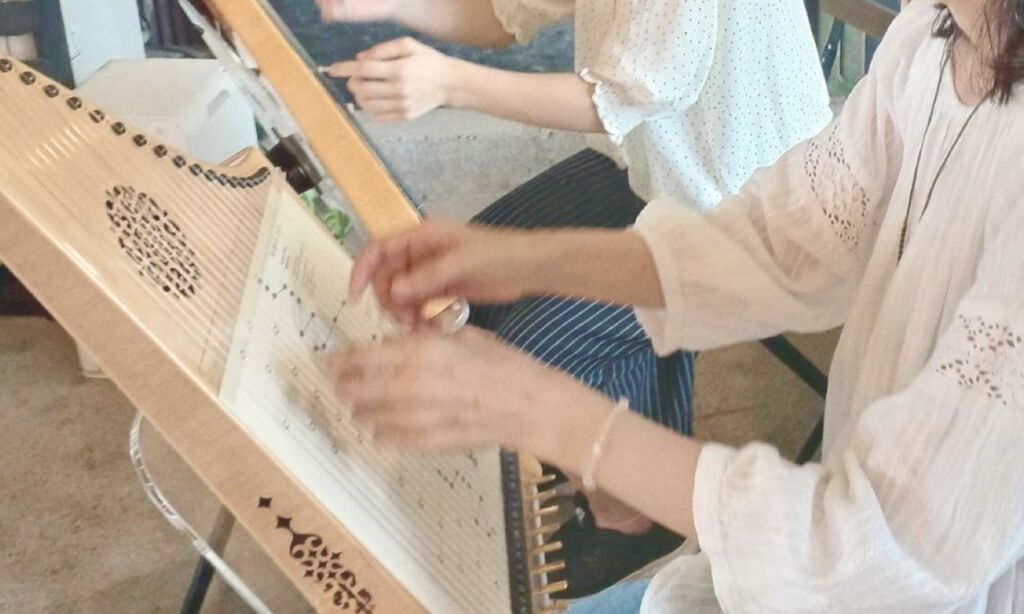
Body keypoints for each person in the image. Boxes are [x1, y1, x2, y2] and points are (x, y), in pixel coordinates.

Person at [329, 0, 1024, 610]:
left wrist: (547, 414)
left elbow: (878, 549)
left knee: (523, 356)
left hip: (880, 580)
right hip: (663, 183)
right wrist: (515, 260)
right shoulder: (931, 37)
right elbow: (786, 236)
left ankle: (631, 516)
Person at [315, 0, 832, 593]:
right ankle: (621, 455)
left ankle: (633, 514)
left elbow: (624, 95)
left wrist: (449, 82)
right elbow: (506, 15)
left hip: (751, 201)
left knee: (527, 350)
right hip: (658, 170)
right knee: (464, 288)